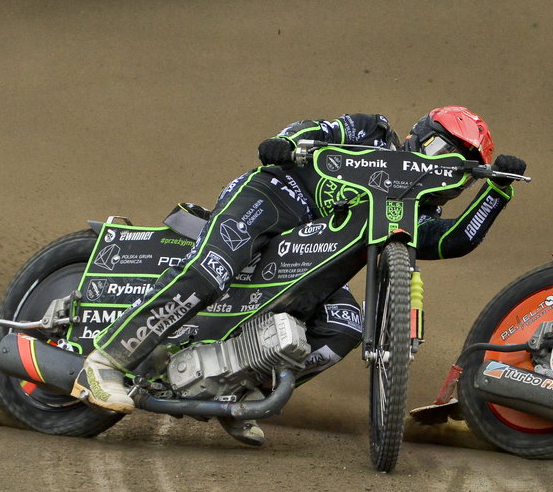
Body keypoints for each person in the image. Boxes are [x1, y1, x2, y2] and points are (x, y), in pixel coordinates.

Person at [71, 107, 527, 445]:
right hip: (274, 195)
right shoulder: (374, 131)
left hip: (308, 251)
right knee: (212, 271)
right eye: (439, 148)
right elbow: (318, 130)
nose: (443, 166)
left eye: (458, 167)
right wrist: (288, 143)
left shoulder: (411, 210)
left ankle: (241, 391)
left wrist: (496, 190)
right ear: (417, 135)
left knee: (346, 325)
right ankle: (105, 361)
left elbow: (454, 240)